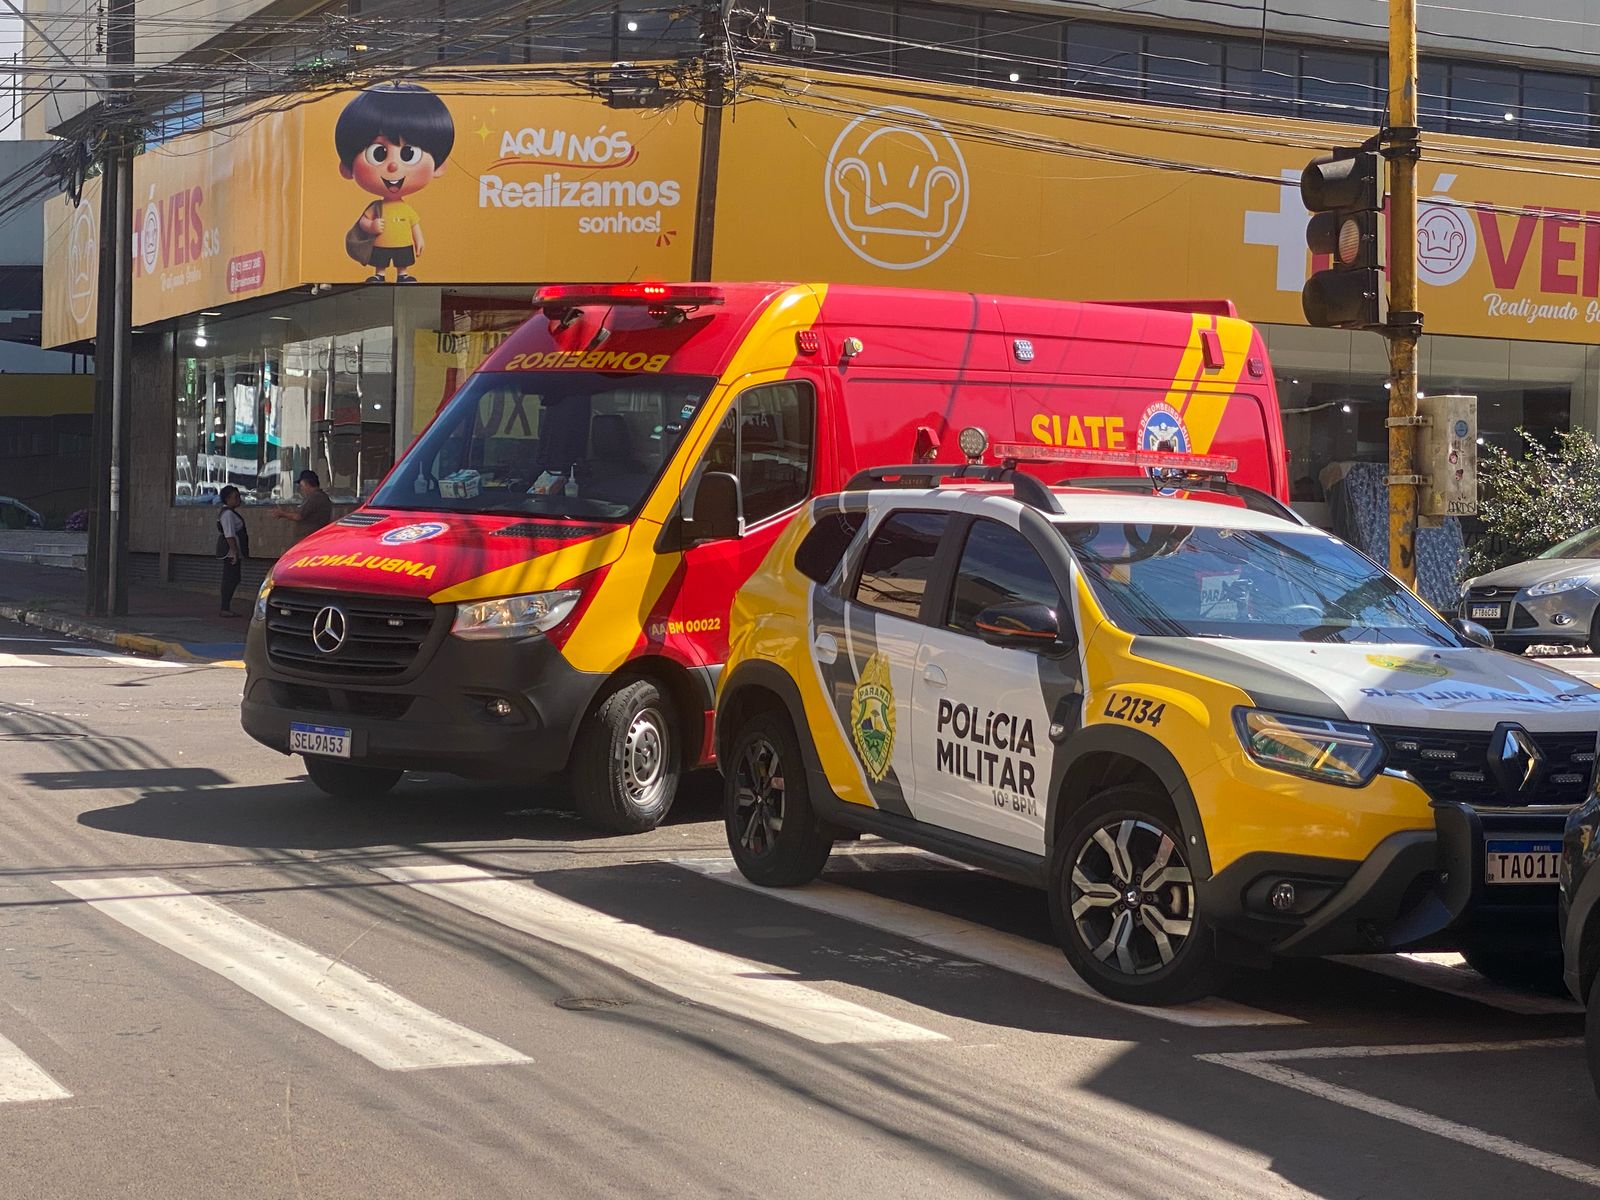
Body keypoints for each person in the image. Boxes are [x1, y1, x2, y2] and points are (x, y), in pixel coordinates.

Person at [336, 83, 455, 284]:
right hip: (381, 244)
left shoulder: (406, 210)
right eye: (378, 153)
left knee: (402, 259)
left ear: (439, 166)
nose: (393, 166)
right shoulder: (376, 208)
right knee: (380, 260)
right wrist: (371, 226)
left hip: (403, 244)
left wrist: (419, 240)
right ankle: (379, 274)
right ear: (347, 169)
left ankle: (403, 274)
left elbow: (415, 226)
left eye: (408, 154)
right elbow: (364, 222)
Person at [217, 486, 250, 618]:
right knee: (230, 578)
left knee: (234, 577)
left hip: (234, 549)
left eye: (238, 496)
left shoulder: (230, 513)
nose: (238, 499)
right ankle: (225, 607)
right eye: (235, 497)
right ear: (227, 499)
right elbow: (229, 534)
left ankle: (226, 606)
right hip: (230, 551)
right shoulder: (228, 514)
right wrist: (234, 551)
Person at [273, 469, 333, 540]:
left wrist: (282, 514)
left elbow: (299, 516)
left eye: (302, 486)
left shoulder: (315, 497)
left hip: (311, 538)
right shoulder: (320, 497)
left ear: (306, 484)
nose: (301, 489)